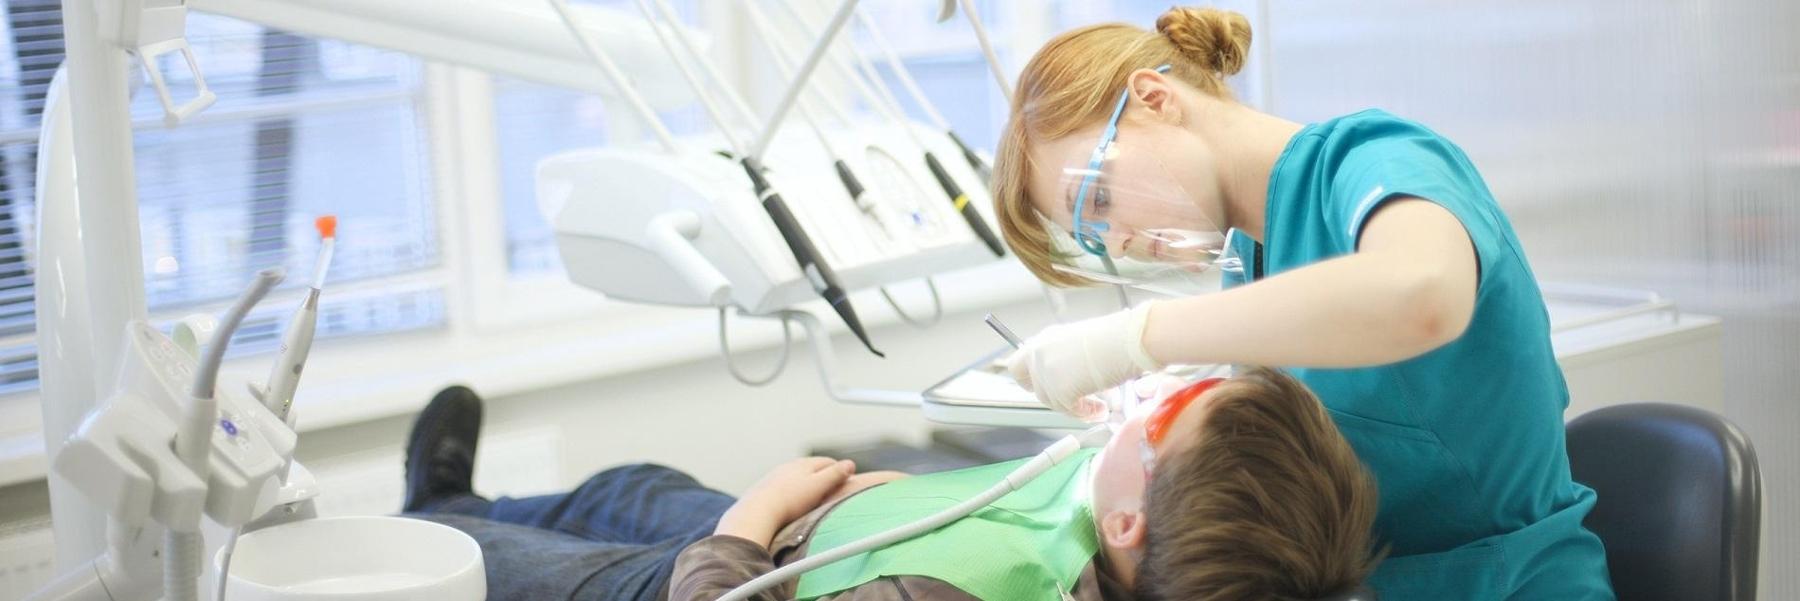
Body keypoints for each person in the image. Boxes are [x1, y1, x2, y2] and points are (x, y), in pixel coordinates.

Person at [989, 5, 1614, 600]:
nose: (1119, 241)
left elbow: (1421, 295)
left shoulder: (1376, 159)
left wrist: (1133, 338)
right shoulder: (1253, 256)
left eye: (1097, 200)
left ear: (1154, 98)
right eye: (1094, 239)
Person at [401, 367, 1378, 601]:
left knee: (497, 567)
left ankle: (440, 520)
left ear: (1127, 522)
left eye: (1165, 417)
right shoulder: (1144, 519)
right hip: (811, 531)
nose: (1156, 399)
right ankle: (469, 496)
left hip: (736, 570)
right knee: (630, 481)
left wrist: (753, 521)